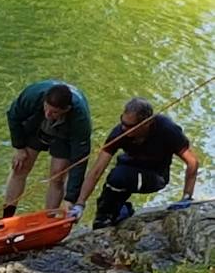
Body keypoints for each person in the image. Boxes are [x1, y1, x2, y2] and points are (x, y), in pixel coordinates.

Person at [68, 98, 199, 229]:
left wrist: (186, 197)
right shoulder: (119, 133)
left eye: (130, 126)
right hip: (128, 168)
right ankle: (116, 213)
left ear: (147, 123)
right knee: (111, 192)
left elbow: (192, 162)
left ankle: (113, 212)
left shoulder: (167, 130)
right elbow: (97, 170)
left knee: (118, 177)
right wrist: (80, 204)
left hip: (155, 175)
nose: (124, 129)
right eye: (123, 122)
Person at [2, 80, 92, 217]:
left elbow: (79, 160)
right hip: (36, 124)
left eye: (54, 112)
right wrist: (19, 147)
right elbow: (13, 117)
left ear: (66, 109)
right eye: (47, 107)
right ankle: (7, 216)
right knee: (20, 166)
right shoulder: (32, 96)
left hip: (65, 133)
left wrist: (70, 198)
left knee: (57, 176)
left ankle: (48, 218)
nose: (48, 114)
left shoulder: (80, 119)